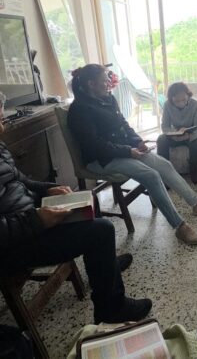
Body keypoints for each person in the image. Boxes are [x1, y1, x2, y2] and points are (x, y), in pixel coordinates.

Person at [0, 92, 151, 324]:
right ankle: (111, 309)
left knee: (87, 202)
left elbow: (20, 180)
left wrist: (49, 189)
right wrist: (37, 220)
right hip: (14, 243)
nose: (3, 124)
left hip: (28, 217)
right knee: (101, 231)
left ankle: (104, 266)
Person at [67, 65, 197, 246]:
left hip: (123, 150)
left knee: (164, 165)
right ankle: (179, 226)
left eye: (108, 79)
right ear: (91, 84)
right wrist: (128, 151)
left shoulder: (108, 99)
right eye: (104, 80)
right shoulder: (80, 109)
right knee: (151, 175)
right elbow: (95, 145)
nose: (109, 83)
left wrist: (138, 141)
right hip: (101, 159)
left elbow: (124, 125)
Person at [157, 82, 197, 184]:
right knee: (161, 139)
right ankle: (165, 173)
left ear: (188, 95)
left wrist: (188, 136)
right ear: (171, 99)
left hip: (190, 134)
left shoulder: (196, 105)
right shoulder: (167, 105)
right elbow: (165, 126)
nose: (181, 103)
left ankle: (194, 170)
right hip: (175, 135)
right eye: (177, 101)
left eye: (184, 100)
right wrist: (175, 134)